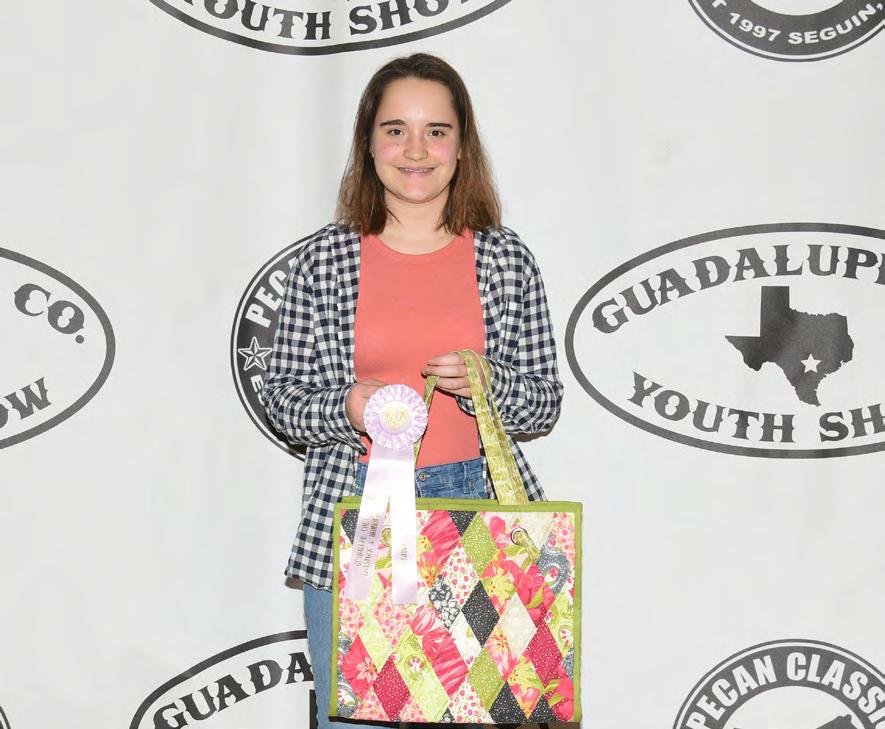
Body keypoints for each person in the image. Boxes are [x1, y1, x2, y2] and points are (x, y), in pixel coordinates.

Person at [264, 53, 562, 729]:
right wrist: (345, 405)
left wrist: (490, 383)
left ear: (462, 145)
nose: (416, 149)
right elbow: (281, 399)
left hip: (481, 512)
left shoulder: (505, 258)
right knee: (355, 719)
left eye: (436, 130)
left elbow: (544, 400)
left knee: (487, 710)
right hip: (357, 514)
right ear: (368, 143)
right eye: (396, 130)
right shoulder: (322, 259)